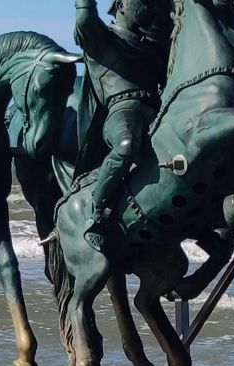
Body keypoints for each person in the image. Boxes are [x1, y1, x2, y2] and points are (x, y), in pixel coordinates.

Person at [73, 0, 176, 248]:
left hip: (156, 111)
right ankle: (96, 213)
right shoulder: (101, 38)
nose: (146, 7)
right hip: (121, 110)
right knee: (127, 144)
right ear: (120, 5)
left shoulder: (152, 48)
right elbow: (84, 18)